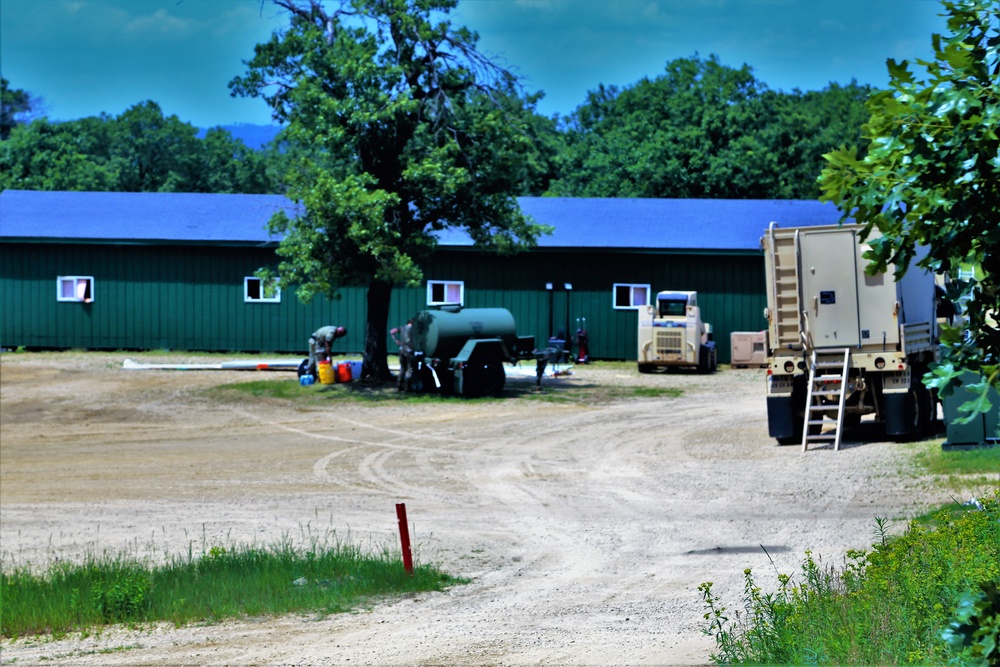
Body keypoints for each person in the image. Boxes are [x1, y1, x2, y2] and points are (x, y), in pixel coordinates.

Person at [390, 319, 413, 391]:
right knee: (410, 369)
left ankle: (398, 386)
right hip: (409, 351)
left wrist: (396, 340)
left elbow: (392, 331)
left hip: (401, 350)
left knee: (402, 368)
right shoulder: (414, 329)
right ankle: (407, 387)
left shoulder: (402, 328)